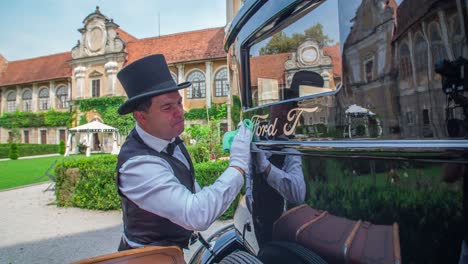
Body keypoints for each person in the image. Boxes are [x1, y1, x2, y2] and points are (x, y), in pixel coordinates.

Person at [115, 54, 251, 251]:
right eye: (167, 107)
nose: (180, 111)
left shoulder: (170, 137)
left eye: (178, 103)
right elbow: (196, 214)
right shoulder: (137, 166)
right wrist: (238, 165)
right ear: (141, 116)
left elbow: (191, 191)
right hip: (147, 259)